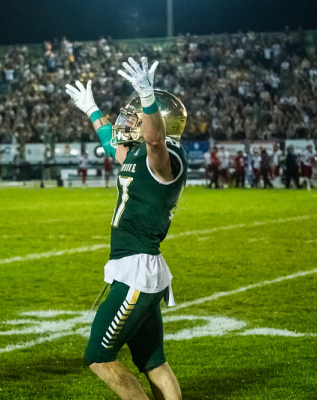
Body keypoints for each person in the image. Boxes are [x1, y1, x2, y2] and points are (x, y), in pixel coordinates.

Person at [66, 56, 186, 400]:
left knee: (99, 356)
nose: (128, 120)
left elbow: (154, 141)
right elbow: (111, 145)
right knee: (153, 361)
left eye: (137, 116)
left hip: (137, 271)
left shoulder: (164, 157)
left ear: (159, 124)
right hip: (138, 268)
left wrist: (148, 97)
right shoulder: (140, 156)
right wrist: (91, 109)